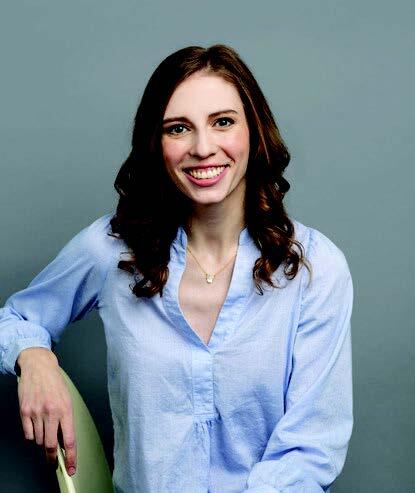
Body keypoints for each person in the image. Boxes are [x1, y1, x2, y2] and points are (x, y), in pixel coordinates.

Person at [0, 44, 354, 492]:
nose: (203, 148)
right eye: (179, 128)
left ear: (254, 132)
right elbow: (15, 319)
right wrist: (34, 357)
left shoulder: (314, 269)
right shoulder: (110, 250)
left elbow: (311, 448)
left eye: (223, 122)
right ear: (157, 143)